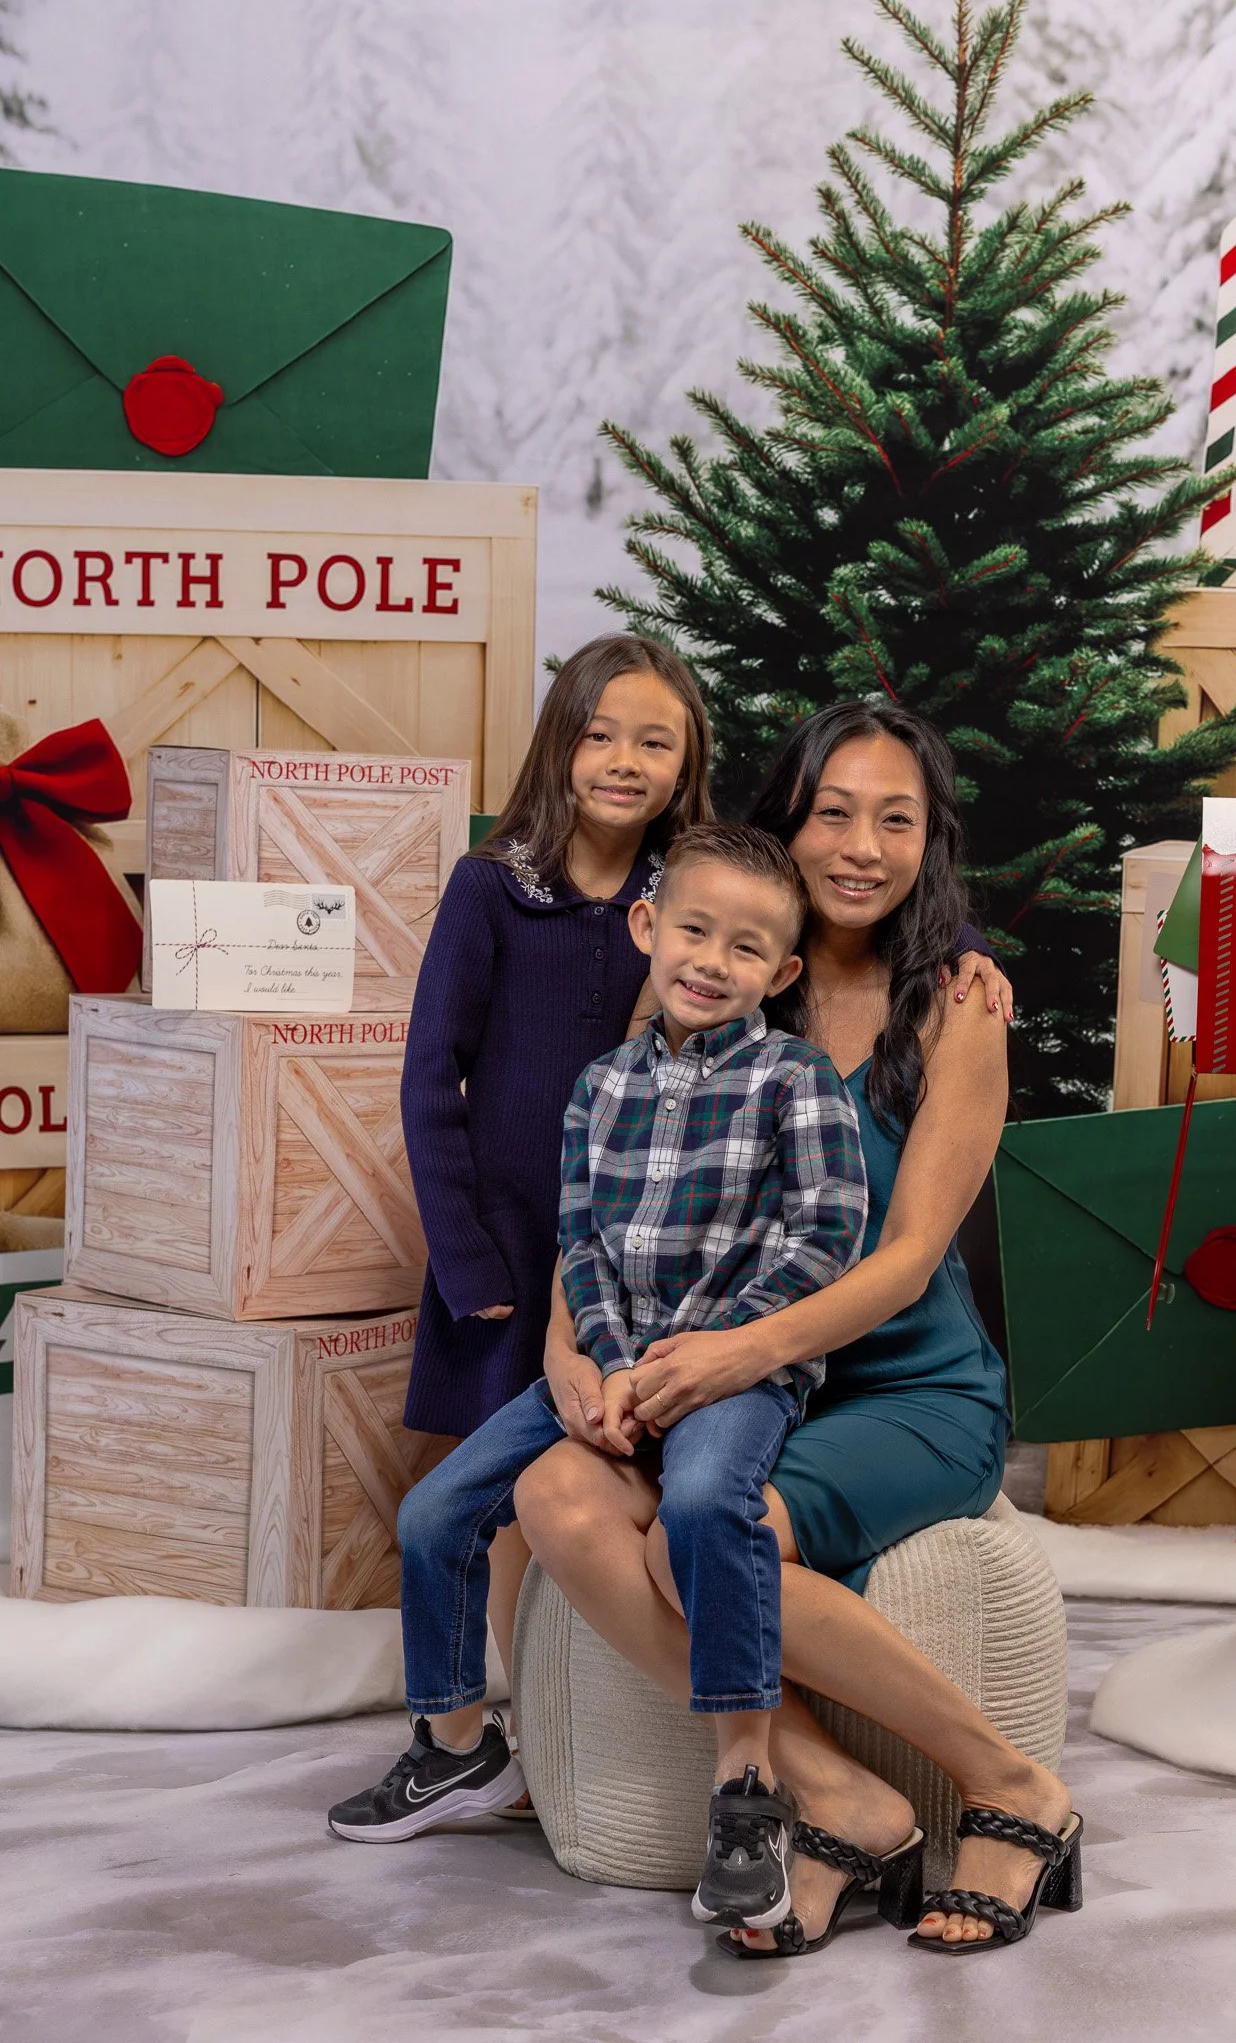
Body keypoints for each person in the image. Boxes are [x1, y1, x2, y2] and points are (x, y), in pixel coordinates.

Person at [517, 700, 1079, 1959]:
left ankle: (1012, 1782)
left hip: (902, 1390)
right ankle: (838, 1795)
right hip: (742, 1385)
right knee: (555, 1494)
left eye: (897, 820)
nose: (861, 846)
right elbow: (610, 1188)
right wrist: (566, 1347)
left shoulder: (959, 1003)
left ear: (930, 841)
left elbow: (909, 1257)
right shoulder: (719, 969)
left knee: (704, 1540)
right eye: (833, 812)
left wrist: (741, 1350)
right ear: (786, 822)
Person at [329, 823, 898, 1938]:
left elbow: (826, 1235)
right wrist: (601, 1359)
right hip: (614, 1366)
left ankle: (747, 1782)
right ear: (648, 926)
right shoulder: (599, 1087)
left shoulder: (795, 1078)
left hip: (733, 1373)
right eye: (693, 930)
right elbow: (580, 1240)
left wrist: (697, 1356)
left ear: (782, 971)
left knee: (705, 1505)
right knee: (436, 1511)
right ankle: (457, 1745)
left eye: (745, 948)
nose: (711, 962)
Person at [393, 632, 714, 1815]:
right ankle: (499, 1732)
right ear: (560, 744)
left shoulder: (689, 895)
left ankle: (586, 1736)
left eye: (654, 741)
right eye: (600, 734)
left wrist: (969, 946)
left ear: (686, 764)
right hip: (506, 1238)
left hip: (630, 1252)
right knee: (494, 1499)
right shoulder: (492, 886)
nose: (624, 760)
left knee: (588, 1476)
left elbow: (824, 916)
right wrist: (464, 1256)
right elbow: (430, 1076)